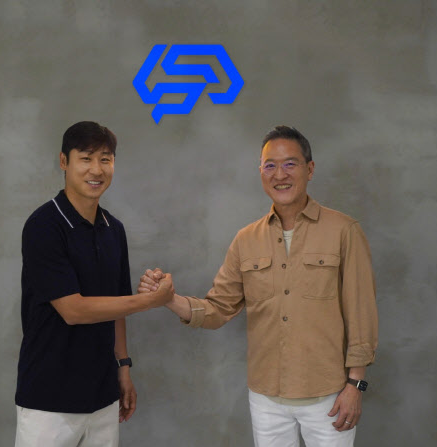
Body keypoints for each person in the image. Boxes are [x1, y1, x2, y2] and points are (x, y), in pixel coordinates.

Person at [139, 125, 378, 447]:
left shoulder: (344, 231)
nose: (280, 174)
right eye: (270, 165)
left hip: (329, 396)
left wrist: (356, 385)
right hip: (267, 401)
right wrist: (169, 299)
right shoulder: (246, 240)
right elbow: (217, 309)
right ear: (261, 172)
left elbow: (361, 314)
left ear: (310, 169)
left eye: (290, 164)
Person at [15, 121, 174, 447]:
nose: (97, 169)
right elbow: (73, 310)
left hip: (102, 395)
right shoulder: (44, 225)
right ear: (64, 161)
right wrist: (149, 301)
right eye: (86, 158)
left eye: (105, 159)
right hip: (49, 398)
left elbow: (116, 306)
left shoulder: (113, 229)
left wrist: (123, 367)